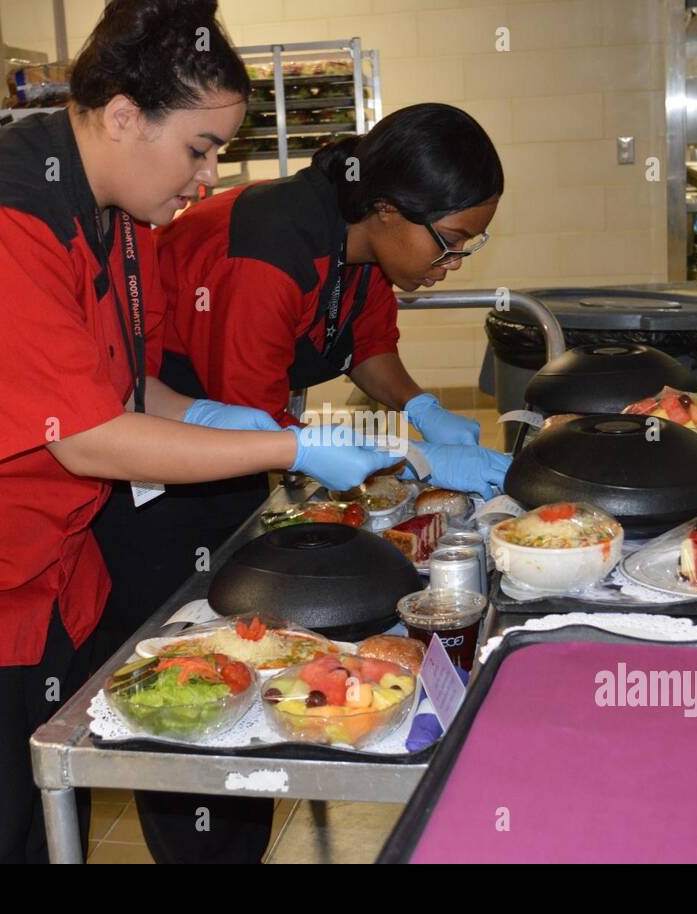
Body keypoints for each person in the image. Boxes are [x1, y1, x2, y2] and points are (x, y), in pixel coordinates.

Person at [0, 0, 394, 863]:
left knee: (24, 817)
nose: (209, 177)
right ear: (121, 117)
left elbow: (114, 381)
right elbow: (88, 436)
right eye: (200, 148)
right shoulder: (0, 214)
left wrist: (221, 418)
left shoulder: (114, 206)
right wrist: (288, 448)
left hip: (31, 570)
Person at [95, 104, 510, 863]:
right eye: (449, 244)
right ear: (388, 210)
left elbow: (368, 343)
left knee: (253, 661)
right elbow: (258, 428)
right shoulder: (269, 247)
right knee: (197, 685)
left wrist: (420, 409)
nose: (454, 264)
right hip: (163, 471)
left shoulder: (363, 241)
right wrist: (412, 457)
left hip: (236, 449)